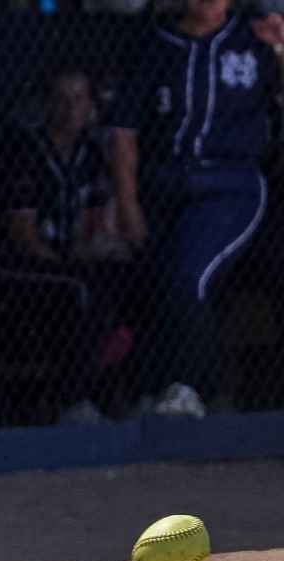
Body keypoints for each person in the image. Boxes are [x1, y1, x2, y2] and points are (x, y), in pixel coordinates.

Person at [108, 0, 284, 417]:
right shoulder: (156, 45)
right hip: (162, 183)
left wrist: (281, 49)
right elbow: (123, 134)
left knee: (189, 274)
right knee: (156, 284)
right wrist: (128, 204)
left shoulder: (253, 38)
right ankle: (157, 387)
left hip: (230, 184)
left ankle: (189, 386)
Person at [0, 68, 142, 426]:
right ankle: (71, 402)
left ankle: (134, 395)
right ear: (43, 105)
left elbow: (90, 227)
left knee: (130, 279)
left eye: (78, 98)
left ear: (91, 105)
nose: (69, 108)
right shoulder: (24, 151)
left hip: (68, 260)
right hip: (17, 263)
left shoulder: (90, 153)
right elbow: (24, 238)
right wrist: (73, 263)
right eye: (59, 98)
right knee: (82, 289)